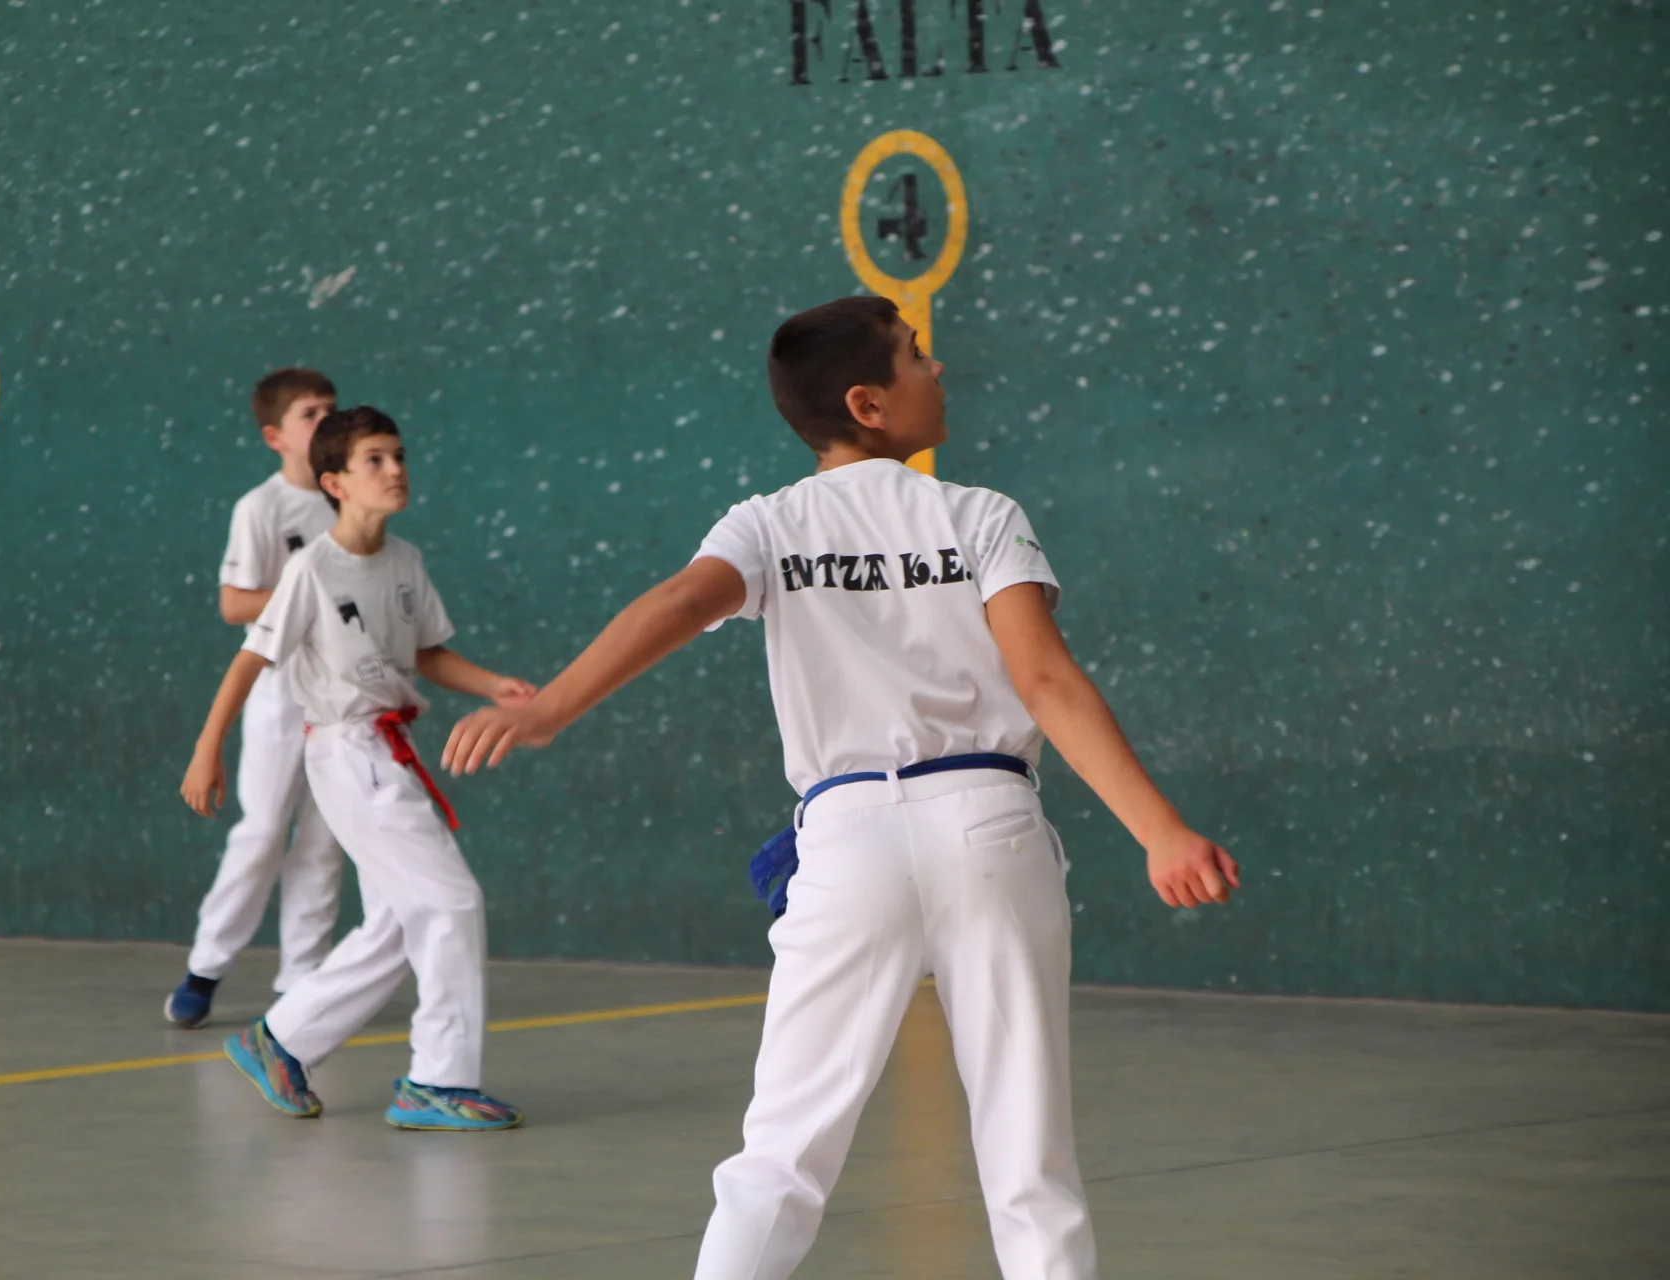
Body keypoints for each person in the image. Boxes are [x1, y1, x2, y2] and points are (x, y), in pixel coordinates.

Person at [441, 296, 1241, 1277]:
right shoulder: (982, 515)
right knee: (1029, 1153)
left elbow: (681, 601)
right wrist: (1158, 829)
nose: (937, 367)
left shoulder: (767, 523)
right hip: (990, 826)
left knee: (780, 1155)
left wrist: (551, 709)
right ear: (867, 402)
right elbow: (1045, 680)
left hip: (849, 841)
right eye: (915, 354)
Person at [181, 405, 532, 1131]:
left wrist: (494, 685)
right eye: (375, 459)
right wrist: (207, 747)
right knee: (451, 903)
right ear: (335, 482)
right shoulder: (310, 569)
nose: (395, 469)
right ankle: (437, 1081)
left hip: (388, 749)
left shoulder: (405, 560)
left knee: (403, 919)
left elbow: (425, 653)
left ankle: (282, 1039)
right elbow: (251, 658)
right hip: (347, 753)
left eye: (398, 455)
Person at [166, 368, 345, 1028]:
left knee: (323, 842)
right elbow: (234, 604)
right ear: (276, 436)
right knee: (264, 831)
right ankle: (206, 968)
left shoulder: (349, 498)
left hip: (343, 697)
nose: (325, 421)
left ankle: (301, 980)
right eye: (310, 413)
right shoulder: (260, 509)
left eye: (331, 409)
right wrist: (310, 594)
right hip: (279, 693)